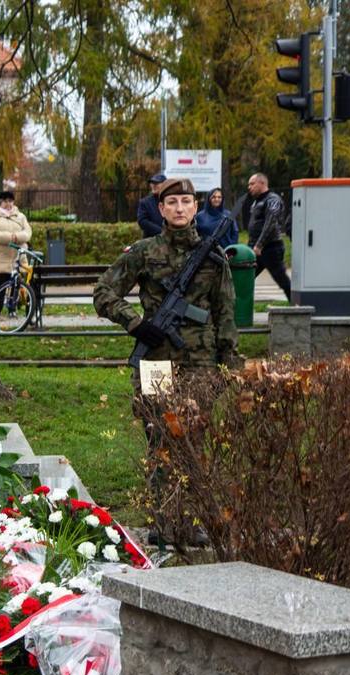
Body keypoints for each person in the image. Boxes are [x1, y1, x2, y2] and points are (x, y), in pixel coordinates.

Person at [94, 178, 239, 543]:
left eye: (186, 201)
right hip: (156, 361)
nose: (179, 208)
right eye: (171, 202)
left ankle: (190, 523)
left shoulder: (213, 256)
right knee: (160, 439)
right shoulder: (144, 252)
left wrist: (228, 361)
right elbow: (104, 291)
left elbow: (225, 311)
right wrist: (136, 324)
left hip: (201, 363)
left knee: (193, 441)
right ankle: (163, 523)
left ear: (196, 207)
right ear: (160, 209)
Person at [245, 172, 291, 301]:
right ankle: (241, 307)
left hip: (270, 248)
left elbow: (271, 223)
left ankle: (298, 304)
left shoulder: (272, 200)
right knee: (245, 278)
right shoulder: (256, 202)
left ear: (262, 183)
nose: (249, 187)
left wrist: (259, 244)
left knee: (281, 279)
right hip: (255, 248)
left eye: (252, 184)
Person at [0, 190, 33, 287]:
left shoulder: (20, 216)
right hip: (1, 260)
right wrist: (10, 237)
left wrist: (16, 237)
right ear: (0, 203)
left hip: (19, 259)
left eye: (10, 201)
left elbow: (28, 233)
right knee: (1, 288)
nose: (8, 204)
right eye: (5, 201)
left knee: (17, 289)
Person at [136, 173, 167, 237]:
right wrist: (161, 231)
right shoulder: (145, 202)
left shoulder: (170, 200)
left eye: (156, 183)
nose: (153, 185)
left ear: (165, 184)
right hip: (151, 239)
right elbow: (142, 221)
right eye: (152, 183)